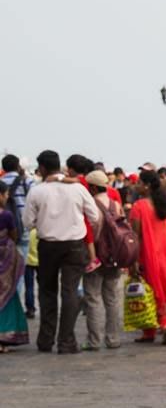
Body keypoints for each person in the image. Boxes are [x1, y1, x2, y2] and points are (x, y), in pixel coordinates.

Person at [23, 149, 101, 353]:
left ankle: (46, 340)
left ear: (41, 168)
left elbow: (27, 223)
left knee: (47, 292)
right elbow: (94, 217)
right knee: (70, 292)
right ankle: (66, 341)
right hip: (75, 245)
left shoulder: (37, 191)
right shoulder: (77, 188)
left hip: (48, 245)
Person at [128, 169, 166, 346]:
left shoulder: (139, 207)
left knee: (150, 291)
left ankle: (153, 329)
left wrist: (133, 260)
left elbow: (135, 235)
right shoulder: (164, 204)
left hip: (148, 255)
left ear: (147, 186)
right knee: (165, 288)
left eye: (139, 182)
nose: (136, 185)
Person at [82, 171, 124, 350]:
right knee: (112, 298)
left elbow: (88, 233)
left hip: (96, 256)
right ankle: (113, 339)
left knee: (93, 298)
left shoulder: (90, 205)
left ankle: (94, 340)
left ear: (91, 187)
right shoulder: (116, 204)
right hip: (114, 257)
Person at [1, 155, 35, 318]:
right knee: (18, 270)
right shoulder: (26, 181)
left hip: (3, 233)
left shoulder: (2, 182)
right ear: (17, 166)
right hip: (22, 231)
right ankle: (15, 307)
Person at [0, 182, 29, 351]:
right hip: (5, 260)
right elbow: (14, 234)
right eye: (5, 194)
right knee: (8, 294)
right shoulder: (6, 216)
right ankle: (5, 337)